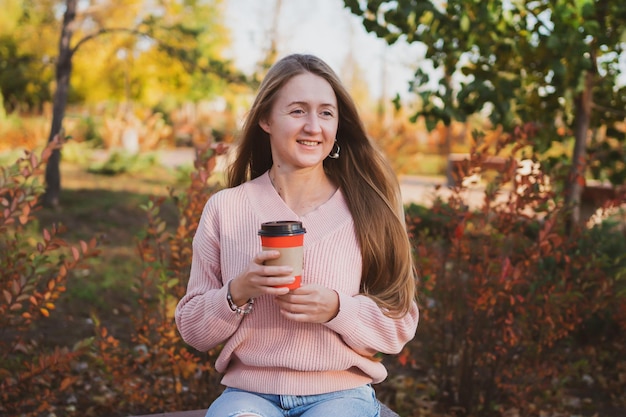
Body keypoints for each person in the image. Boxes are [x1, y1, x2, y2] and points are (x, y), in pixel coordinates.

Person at [175, 53, 419, 417]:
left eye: (325, 113)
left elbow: (399, 323)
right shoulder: (226, 209)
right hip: (249, 395)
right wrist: (237, 292)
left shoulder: (368, 209)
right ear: (265, 119)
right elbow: (193, 329)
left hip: (341, 395)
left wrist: (339, 309)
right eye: (297, 111)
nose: (313, 126)